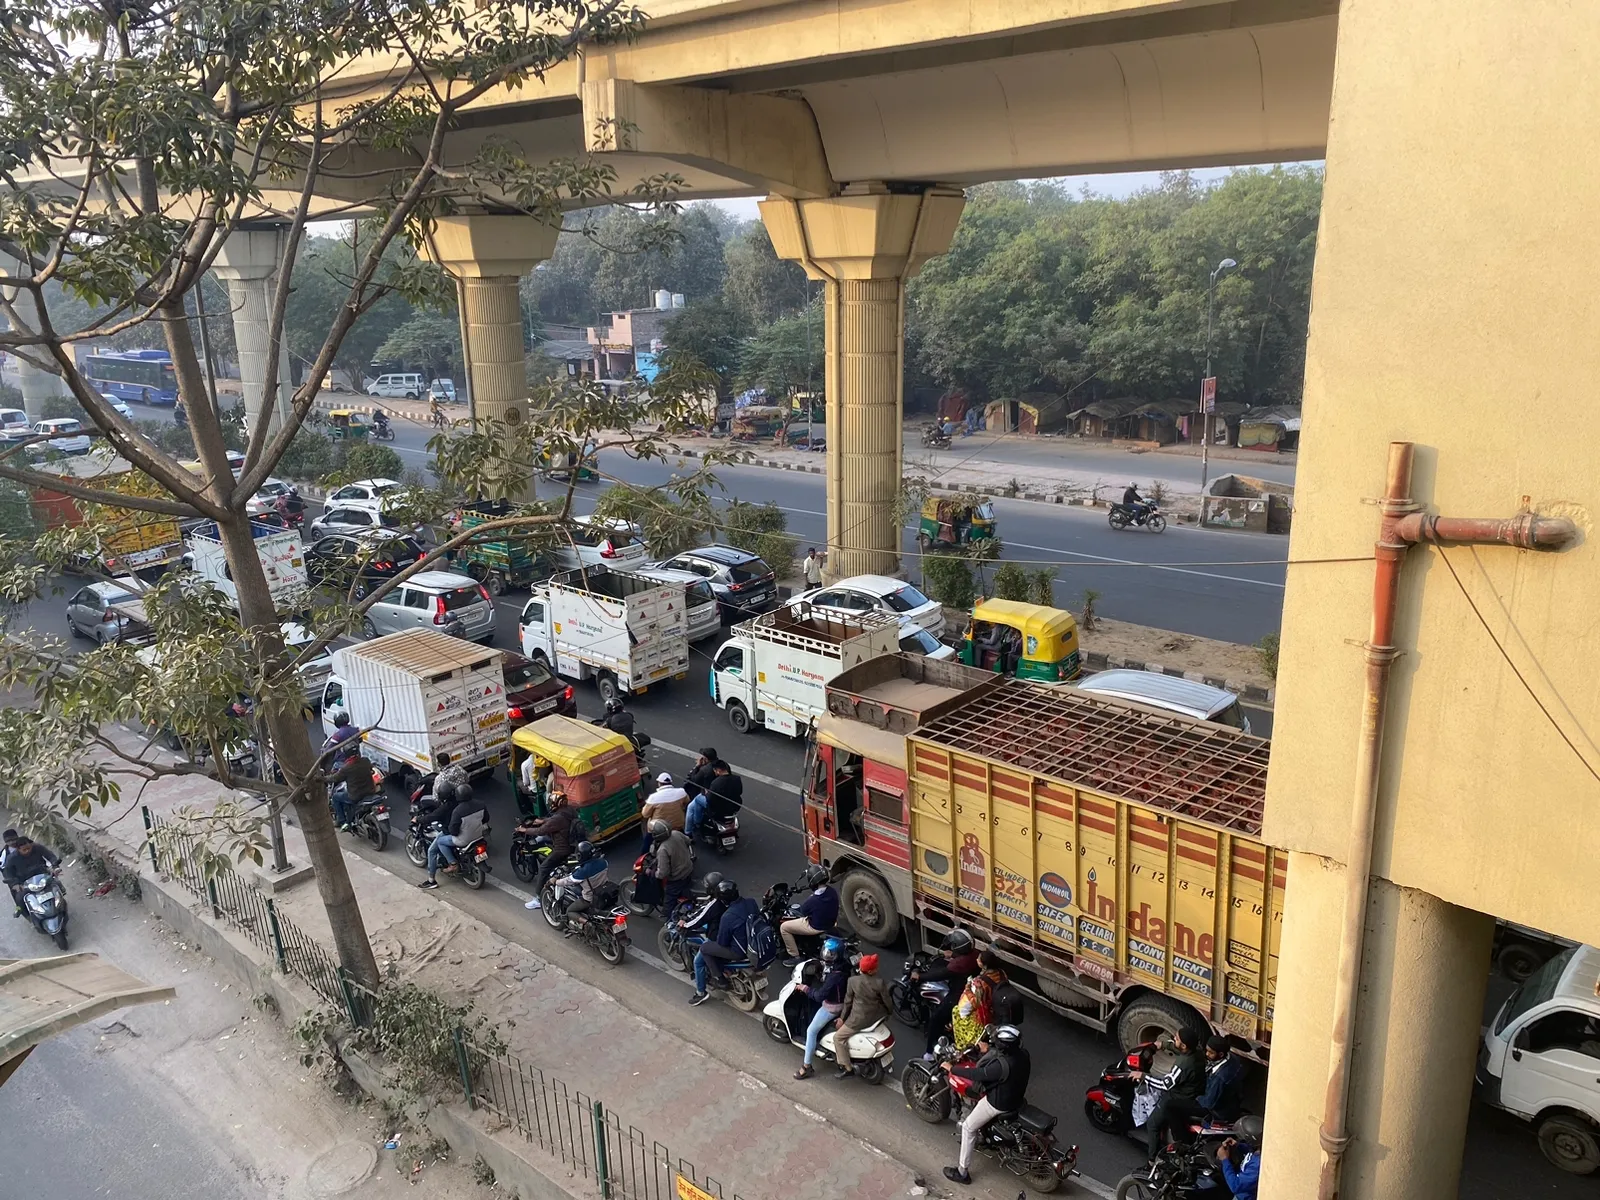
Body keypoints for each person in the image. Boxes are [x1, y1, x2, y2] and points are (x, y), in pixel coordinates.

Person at [943, 1024, 1030, 1186]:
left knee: (968, 1127)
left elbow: (977, 1074)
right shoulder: (1023, 1054)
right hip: (1016, 1097)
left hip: (998, 1103)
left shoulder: (1000, 1066)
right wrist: (987, 1050)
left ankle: (962, 1172)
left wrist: (952, 1069)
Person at [1133, 1026, 1207, 1160]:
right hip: (1194, 1091)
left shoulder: (1183, 1065)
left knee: (1152, 1125)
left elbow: (1165, 1085)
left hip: (1177, 1096)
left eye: (1176, 1039)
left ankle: (1152, 1159)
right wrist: (1163, 1045)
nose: (1174, 1039)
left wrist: (1143, 1076)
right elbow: (1179, 1050)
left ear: (1184, 1045)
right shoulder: (1198, 1053)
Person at [690, 879, 758, 1006]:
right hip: (752, 943)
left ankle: (713, 984)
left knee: (705, 949)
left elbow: (722, 941)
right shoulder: (751, 902)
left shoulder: (728, 916)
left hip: (738, 951)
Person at [916, 929, 980, 1057]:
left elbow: (939, 975)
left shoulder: (957, 965)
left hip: (960, 994)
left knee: (935, 1019)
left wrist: (920, 976)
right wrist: (951, 955)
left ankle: (929, 1052)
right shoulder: (975, 954)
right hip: (974, 988)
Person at [793, 938, 850, 1080]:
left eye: (830, 953)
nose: (826, 955)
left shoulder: (834, 977)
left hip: (833, 1006)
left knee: (811, 1031)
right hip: (843, 999)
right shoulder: (843, 965)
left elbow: (819, 996)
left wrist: (806, 989)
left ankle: (806, 1066)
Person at [835, 952, 893, 1080]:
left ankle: (847, 1067)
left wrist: (842, 1019)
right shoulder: (879, 982)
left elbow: (848, 1002)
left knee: (838, 1038)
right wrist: (889, 1012)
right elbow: (887, 1001)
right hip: (876, 1016)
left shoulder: (853, 981)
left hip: (858, 1019)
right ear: (872, 971)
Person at [418, 783, 487, 890]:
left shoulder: (457, 811)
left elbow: (453, 831)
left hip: (462, 838)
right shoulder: (481, 804)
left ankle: (434, 878)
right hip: (478, 835)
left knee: (435, 847)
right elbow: (486, 818)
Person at [521, 791, 582, 909]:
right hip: (573, 845)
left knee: (544, 868)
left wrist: (525, 830)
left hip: (562, 849)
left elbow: (540, 831)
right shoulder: (570, 810)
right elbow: (556, 821)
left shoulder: (557, 818)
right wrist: (544, 820)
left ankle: (538, 898)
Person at [781, 865, 840, 965]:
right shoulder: (832, 891)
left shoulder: (813, 900)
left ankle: (795, 956)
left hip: (816, 927)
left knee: (784, 927)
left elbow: (803, 912)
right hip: (830, 923)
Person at [952, 950, 1007, 1051]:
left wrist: (968, 988)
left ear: (983, 964)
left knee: (956, 1012)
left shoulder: (980, 983)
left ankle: (962, 1047)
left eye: (978, 959)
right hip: (998, 1008)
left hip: (986, 1016)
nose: (977, 959)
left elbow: (974, 1003)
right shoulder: (1002, 973)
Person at [550, 841, 609, 931]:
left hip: (590, 898)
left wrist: (556, 881)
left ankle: (586, 923)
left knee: (570, 911)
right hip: (605, 891)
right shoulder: (603, 862)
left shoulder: (582, 872)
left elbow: (568, 881)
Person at [3, 834, 61, 916]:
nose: (27, 851)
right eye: (24, 850)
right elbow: (7, 872)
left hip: (42, 874)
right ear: (18, 849)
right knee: (19, 897)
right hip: (24, 881)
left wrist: (55, 867)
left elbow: (50, 856)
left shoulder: (37, 847)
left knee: (57, 884)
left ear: (31, 844)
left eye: (29, 848)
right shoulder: (11, 858)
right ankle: (20, 910)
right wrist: (15, 884)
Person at [687, 760, 743, 841]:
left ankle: (697, 822)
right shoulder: (737, 779)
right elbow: (740, 792)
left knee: (697, 800)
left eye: (715, 771)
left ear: (719, 771)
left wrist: (706, 793)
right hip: (734, 807)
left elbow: (710, 799)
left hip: (718, 809)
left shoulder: (716, 783)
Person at [651, 819, 695, 914]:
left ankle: (668, 921)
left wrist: (653, 873)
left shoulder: (663, 849)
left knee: (669, 900)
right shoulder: (677, 833)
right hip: (689, 869)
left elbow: (662, 873)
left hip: (677, 878)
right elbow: (688, 841)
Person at [639, 772, 688, 855]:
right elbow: (686, 801)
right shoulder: (681, 792)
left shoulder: (653, 798)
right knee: (685, 837)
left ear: (659, 784)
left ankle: (644, 855)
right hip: (678, 825)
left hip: (659, 829)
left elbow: (645, 814)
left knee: (647, 841)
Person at [1217, 1115, 1263, 1199]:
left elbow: (1236, 1186)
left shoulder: (1257, 1165)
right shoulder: (1260, 1149)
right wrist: (1238, 1146)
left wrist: (1225, 1160)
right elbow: (1252, 1152)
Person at [330, 752, 378, 831]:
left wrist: (323, 779)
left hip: (356, 796)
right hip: (370, 791)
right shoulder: (365, 761)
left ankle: (341, 821)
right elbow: (370, 768)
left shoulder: (347, 768)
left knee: (335, 797)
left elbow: (335, 778)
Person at [2, 828, 22, 915]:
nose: (12, 842)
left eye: (14, 839)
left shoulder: (27, 844)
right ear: (5, 842)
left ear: (18, 837)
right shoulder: (4, 855)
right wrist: (13, 882)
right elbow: (4, 871)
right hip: (17, 877)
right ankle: (19, 908)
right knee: (16, 894)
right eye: (9, 841)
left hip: (33, 870)